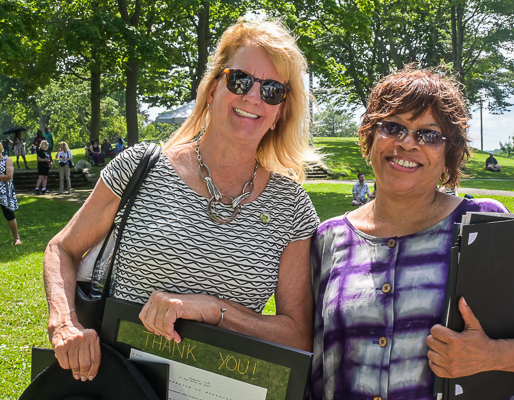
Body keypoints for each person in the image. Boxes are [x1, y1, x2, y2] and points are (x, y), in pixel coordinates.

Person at [44, 19, 321, 383]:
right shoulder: (139, 167)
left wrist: (213, 309)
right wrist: (64, 323)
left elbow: (297, 334)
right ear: (211, 90)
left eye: (272, 90)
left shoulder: (293, 208)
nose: (254, 96)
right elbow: (62, 248)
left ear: (280, 112)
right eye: (240, 79)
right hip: (120, 382)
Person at [310, 66, 514, 400]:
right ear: (369, 137)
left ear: (449, 153)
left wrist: (494, 354)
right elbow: (315, 364)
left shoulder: (484, 224)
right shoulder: (328, 240)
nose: (407, 143)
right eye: (393, 127)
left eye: (429, 134)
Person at [0, 142, 21, 245]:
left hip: (5, 193)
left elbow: (9, 176)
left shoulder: (7, 160)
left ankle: (16, 238)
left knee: (9, 215)